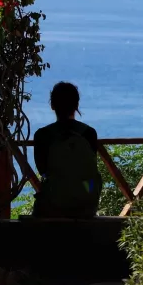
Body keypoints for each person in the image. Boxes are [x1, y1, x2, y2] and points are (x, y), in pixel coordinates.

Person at [32, 82, 102, 218]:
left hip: (53, 205)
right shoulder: (89, 133)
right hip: (86, 205)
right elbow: (90, 167)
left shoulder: (42, 135)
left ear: (52, 105)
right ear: (76, 106)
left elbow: (43, 170)